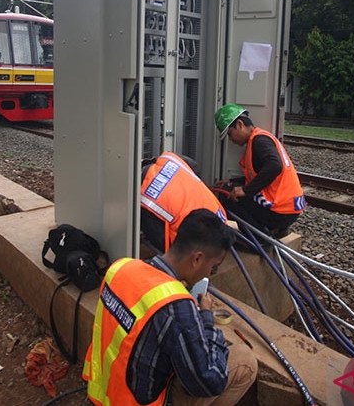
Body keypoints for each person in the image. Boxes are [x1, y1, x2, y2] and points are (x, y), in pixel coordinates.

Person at [82, 209, 257, 406]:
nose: (211, 273)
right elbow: (208, 382)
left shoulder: (120, 268)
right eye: (213, 267)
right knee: (245, 361)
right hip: (139, 402)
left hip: (103, 393)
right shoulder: (177, 307)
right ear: (197, 259)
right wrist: (206, 321)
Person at [214, 103, 306, 238]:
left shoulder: (259, 141)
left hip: (281, 211)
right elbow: (257, 174)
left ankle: (260, 239)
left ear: (239, 124)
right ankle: (276, 230)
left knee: (228, 198)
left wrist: (245, 190)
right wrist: (233, 181)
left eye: (230, 134)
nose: (231, 139)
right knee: (230, 188)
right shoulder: (260, 138)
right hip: (289, 208)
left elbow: (275, 166)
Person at [140, 152, 228, 252]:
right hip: (216, 225)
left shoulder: (143, 202)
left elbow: (166, 245)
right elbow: (195, 167)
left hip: (198, 245)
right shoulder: (170, 159)